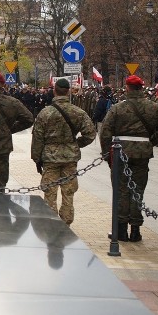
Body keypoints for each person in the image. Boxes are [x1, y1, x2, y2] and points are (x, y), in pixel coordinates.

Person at [100, 74, 158, 242]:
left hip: (120, 153)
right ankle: (136, 231)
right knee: (138, 190)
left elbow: (105, 132)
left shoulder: (118, 108)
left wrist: (106, 153)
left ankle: (121, 230)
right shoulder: (154, 107)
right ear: (142, 88)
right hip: (142, 155)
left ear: (127, 88)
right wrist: (150, 142)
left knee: (121, 190)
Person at [31, 78, 97, 225]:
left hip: (50, 157)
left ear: (54, 91)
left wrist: (36, 158)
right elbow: (90, 134)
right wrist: (76, 144)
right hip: (70, 158)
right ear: (68, 91)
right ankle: (66, 221)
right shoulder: (78, 112)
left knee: (50, 191)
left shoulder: (45, 113)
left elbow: (37, 138)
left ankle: (51, 221)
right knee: (68, 192)